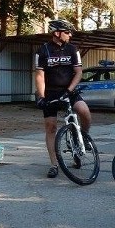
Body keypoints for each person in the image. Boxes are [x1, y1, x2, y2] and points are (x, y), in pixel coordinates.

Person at [34, 19, 91, 179]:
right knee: (51, 127)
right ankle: (54, 164)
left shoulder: (73, 49)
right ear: (57, 33)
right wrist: (42, 96)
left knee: (84, 111)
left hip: (69, 90)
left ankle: (83, 136)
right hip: (51, 92)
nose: (70, 35)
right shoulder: (43, 50)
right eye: (67, 32)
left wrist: (69, 90)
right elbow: (39, 75)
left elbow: (79, 72)